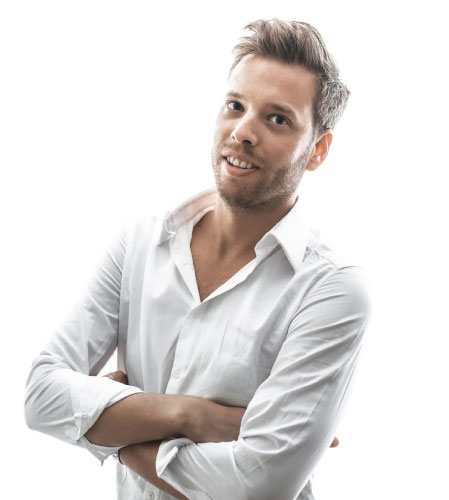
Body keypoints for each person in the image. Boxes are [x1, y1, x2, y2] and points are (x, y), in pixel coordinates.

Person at [25, 18, 369, 500]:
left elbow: (258, 487)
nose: (243, 132)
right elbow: (40, 395)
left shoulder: (332, 290)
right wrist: (193, 416)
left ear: (318, 150)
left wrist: (113, 429)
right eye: (236, 106)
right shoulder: (139, 242)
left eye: (277, 119)